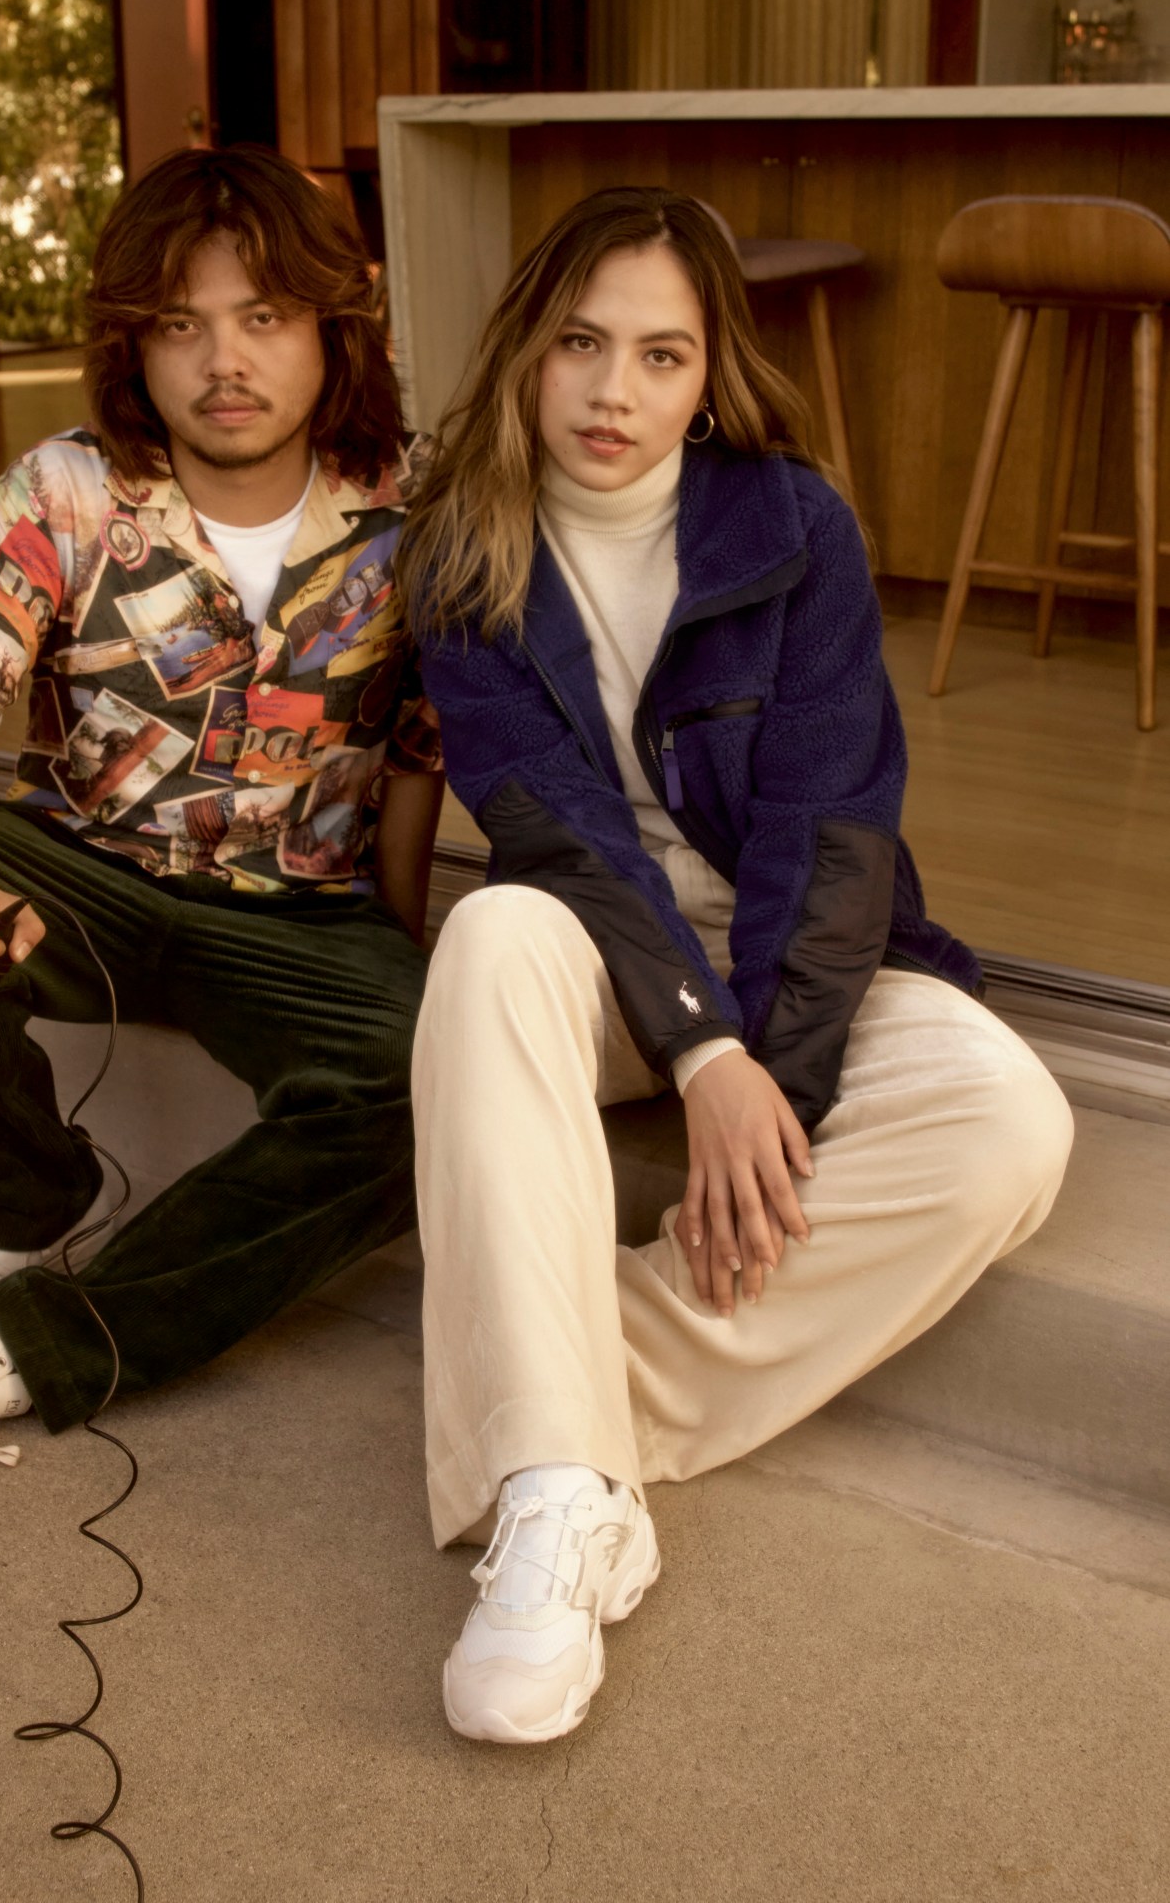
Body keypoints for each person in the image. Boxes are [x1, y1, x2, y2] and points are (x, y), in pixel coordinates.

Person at [395, 189, 1073, 1746]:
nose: (611, 392)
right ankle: (562, 1504)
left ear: (710, 376)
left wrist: (780, 1078)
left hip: (799, 951)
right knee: (490, 933)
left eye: (658, 353)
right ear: (523, 354)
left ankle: (538, 1404)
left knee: (1012, 1124)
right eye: (579, 344)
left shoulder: (797, 523)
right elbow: (551, 834)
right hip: (601, 945)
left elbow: (836, 833)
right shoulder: (462, 550)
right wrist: (701, 1058)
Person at [0, 146, 443, 1482]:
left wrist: (396, 954)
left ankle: (61, 1336)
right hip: (87, 881)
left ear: (332, 327)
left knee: (424, 1080)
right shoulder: (66, 491)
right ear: (134, 345)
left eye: (263, 318)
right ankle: (41, 1190)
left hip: (302, 910)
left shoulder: (413, 504)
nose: (226, 361)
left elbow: (422, 756)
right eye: (180, 325)